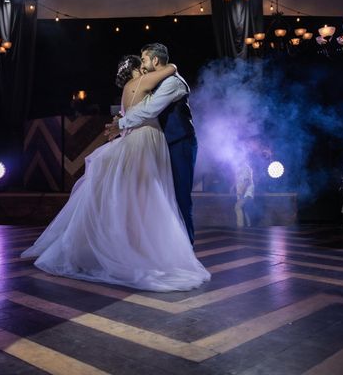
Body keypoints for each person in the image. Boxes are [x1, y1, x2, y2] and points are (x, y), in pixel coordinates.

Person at [21, 55, 210, 292]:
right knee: (148, 194)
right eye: (141, 64)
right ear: (136, 69)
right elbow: (154, 98)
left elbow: (130, 113)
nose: (144, 67)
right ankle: (145, 250)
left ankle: (129, 245)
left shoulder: (128, 89)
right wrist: (172, 65)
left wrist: (120, 122)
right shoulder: (143, 82)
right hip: (145, 139)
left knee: (135, 195)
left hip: (135, 137)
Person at [104, 43, 198, 244]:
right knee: (160, 195)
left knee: (180, 196)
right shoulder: (155, 82)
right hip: (163, 143)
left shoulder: (172, 83)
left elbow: (150, 110)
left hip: (180, 142)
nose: (144, 66)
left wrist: (121, 123)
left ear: (156, 60)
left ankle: (186, 248)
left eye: (145, 60)